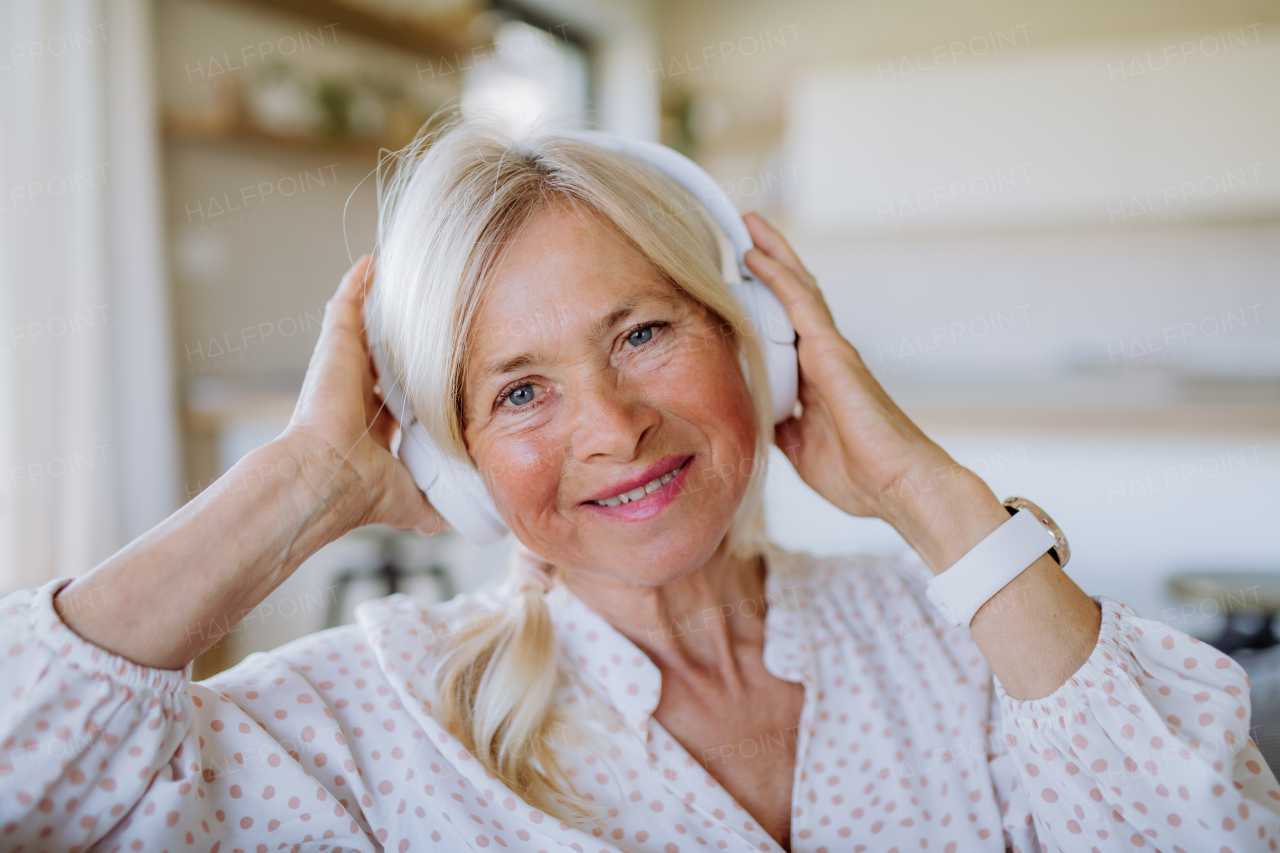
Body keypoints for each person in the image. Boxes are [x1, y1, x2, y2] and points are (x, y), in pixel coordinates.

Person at [1, 119, 1275, 853]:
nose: (611, 425)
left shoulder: (952, 637)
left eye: (641, 332)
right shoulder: (363, 722)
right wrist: (303, 479)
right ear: (451, 451)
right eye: (516, 391)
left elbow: (1213, 828)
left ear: (757, 344)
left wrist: (920, 489)